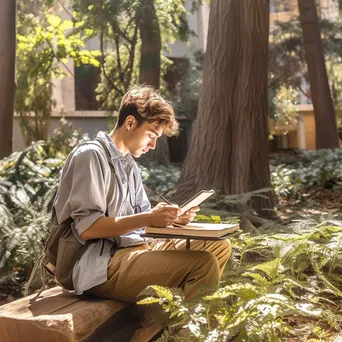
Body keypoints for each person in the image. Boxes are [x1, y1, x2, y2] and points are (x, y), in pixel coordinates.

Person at [53, 85, 231, 302]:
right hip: (98, 264)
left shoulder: (129, 164)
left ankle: (162, 324)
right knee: (203, 263)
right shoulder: (90, 156)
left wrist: (172, 220)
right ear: (130, 122)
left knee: (219, 247)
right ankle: (182, 332)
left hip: (135, 248)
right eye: (150, 135)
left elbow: (143, 224)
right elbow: (88, 227)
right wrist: (148, 218)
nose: (153, 145)